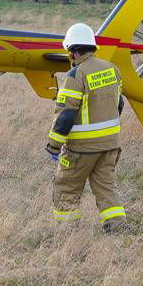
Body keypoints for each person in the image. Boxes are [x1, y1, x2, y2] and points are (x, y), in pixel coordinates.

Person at [46, 23, 127, 232]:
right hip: (111, 145)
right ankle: (117, 226)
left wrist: (54, 145)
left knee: (66, 187)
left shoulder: (76, 75)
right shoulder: (113, 69)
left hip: (81, 149)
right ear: (92, 47)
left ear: (73, 51)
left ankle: (67, 231)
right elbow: (119, 104)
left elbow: (66, 115)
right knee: (106, 188)